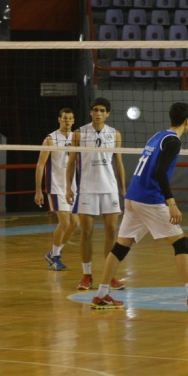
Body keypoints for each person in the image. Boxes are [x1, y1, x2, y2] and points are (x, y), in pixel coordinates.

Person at [91, 103, 188, 312]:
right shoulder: (173, 142)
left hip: (134, 196)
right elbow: (160, 172)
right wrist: (172, 204)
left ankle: (101, 295)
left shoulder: (157, 136)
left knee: (121, 246)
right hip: (148, 198)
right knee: (182, 244)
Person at [65, 97, 126, 292]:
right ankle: (87, 275)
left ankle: (110, 277)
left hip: (109, 189)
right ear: (91, 112)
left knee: (111, 233)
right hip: (87, 189)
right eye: (95, 110)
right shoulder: (79, 133)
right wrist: (68, 187)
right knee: (87, 233)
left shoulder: (115, 134)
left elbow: (118, 162)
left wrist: (123, 188)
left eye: (102, 110)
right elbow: (71, 162)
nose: (98, 113)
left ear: (107, 114)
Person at [34, 108, 77, 271]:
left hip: (72, 187)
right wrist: (38, 190)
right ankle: (56, 257)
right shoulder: (50, 139)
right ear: (59, 119)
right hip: (56, 186)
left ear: (73, 121)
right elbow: (39, 165)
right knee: (65, 222)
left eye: (70, 119)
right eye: (65, 118)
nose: (67, 121)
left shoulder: (77, 138)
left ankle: (53, 253)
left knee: (75, 223)